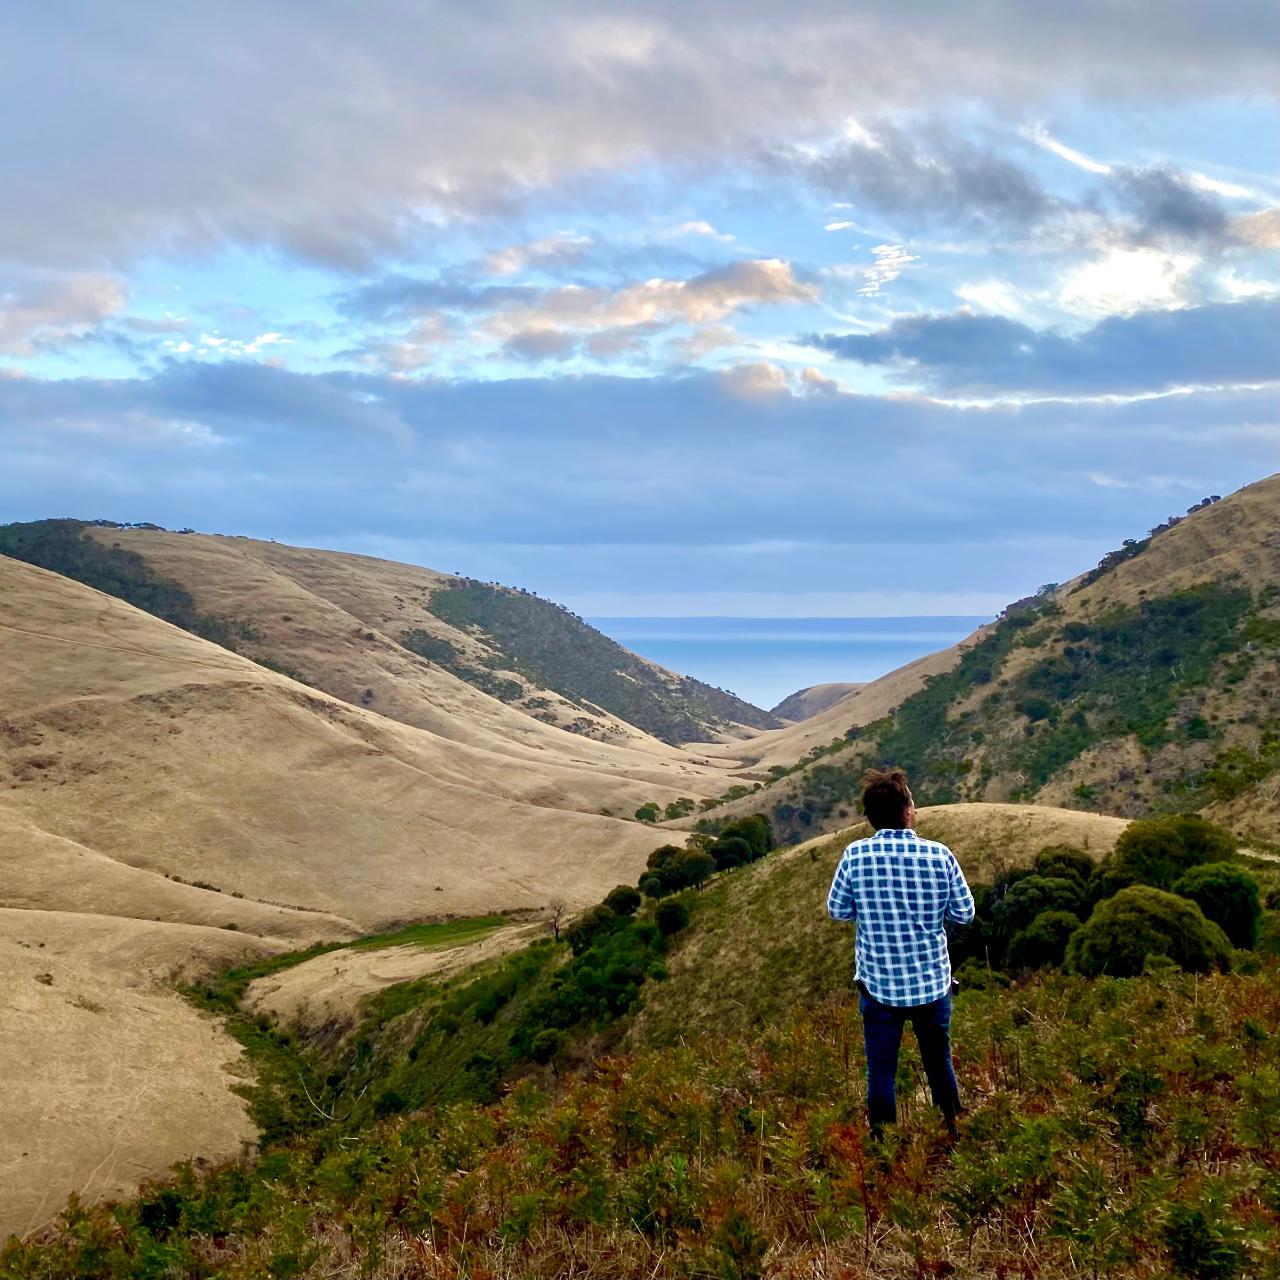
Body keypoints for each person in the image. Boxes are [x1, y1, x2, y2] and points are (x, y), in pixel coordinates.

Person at [826, 766, 975, 1139]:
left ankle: (884, 1151)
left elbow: (838, 910)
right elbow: (965, 913)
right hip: (932, 983)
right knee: (939, 1064)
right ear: (908, 810)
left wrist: (873, 911)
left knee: (880, 1073)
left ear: (871, 817)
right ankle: (954, 1135)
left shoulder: (855, 855)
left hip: (877, 988)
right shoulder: (939, 855)